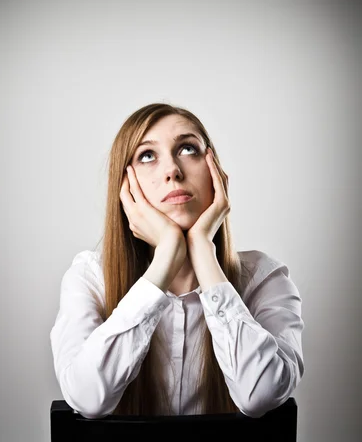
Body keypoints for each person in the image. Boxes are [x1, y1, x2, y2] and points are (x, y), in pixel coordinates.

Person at [50, 102, 304, 419]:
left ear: (216, 174)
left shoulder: (265, 279)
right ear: (125, 187)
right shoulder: (89, 278)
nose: (173, 170)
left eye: (187, 149)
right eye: (147, 155)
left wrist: (203, 252)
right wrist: (166, 257)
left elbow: (261, 394)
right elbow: (88, 398)